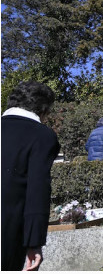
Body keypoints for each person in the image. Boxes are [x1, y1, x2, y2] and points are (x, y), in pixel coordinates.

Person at [2, 81, 60, 271]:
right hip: (8, 228)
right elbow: (37, 189)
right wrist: (34, 241)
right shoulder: (41, 135)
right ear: (43, 110)